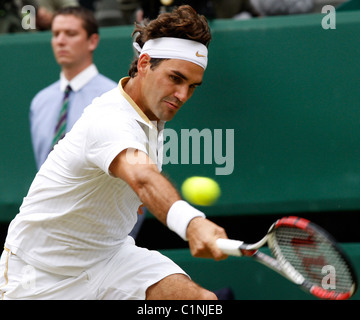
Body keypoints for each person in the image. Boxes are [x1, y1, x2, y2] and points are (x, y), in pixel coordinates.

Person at [0, 5, 228, 300]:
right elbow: (143, 177)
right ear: (144, 63)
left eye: (192, 86)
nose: (183, 95)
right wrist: (192, 223)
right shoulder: (109, 119)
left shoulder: (152, 118)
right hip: (41, 274)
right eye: (175, 78)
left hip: (110, 258)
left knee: (201, 303)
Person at [30, 6, 116, 170]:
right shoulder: (40, 101)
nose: (60, 41)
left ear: (92, 41)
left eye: (71, 34)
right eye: (56, 34)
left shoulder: (113, 98)